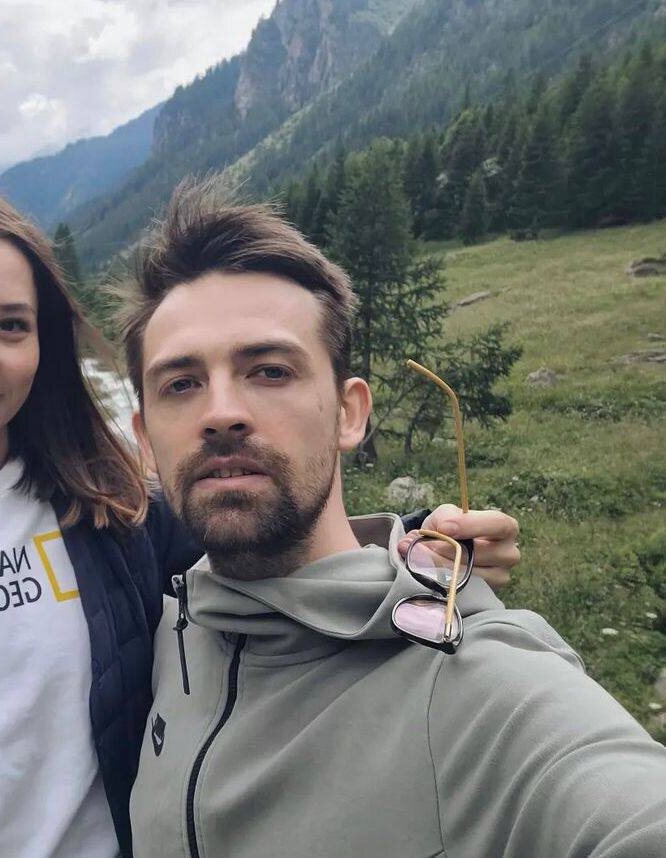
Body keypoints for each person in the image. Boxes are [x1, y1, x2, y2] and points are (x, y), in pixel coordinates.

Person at [0, 188, 522, 857]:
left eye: (12, 326)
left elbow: (275, 557)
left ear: (43, 343)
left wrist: (414, 544)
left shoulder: (110, 505)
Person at [121, 182, 666, 857]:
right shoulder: (171, 631)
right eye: (181, 384)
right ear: (145, 442)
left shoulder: (472, 682)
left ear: (350, 414)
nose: (222, 412)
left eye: (269, 371)